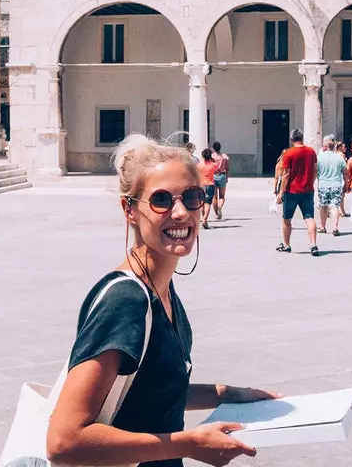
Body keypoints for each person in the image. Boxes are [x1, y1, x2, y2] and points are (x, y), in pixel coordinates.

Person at [45, 133, 276, 467]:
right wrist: (188, 443)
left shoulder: (162, 289)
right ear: (129, 209)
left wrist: (230, 394)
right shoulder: (125, 301)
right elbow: (63, 440)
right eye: (161, 200)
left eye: (192, 197)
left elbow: (152, 393)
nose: (181, 212)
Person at [275, 129, 319, 256]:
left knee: (286, 219)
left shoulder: (289, 154)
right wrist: (311, 183)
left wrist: (280, 193)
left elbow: (286, 174)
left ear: (291, 139)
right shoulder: (311, 152)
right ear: (302, 138)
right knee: (309, 217)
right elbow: (315, 170)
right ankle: (313, 244)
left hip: (292, 191)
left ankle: (287, 245)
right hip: (307, 190)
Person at [315, 135, 346, 236]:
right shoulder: (339, 158)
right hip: (336, 185)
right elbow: (345, 173)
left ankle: (323, 227)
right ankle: (335, 227)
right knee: (334, 207)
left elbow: (315, 171)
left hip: (323, 185)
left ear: (325, 147)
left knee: (323, 206)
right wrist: (346, 184)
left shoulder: (319, 158)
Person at [196, 148, 217, 229]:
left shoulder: (199, 165)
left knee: (202, 203)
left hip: (201, 185)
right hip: (210, 185)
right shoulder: (213, 165)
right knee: (208, 203)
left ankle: (203, 218)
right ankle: (205, 220)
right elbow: (216, 170)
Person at [210, 141, 229, 220]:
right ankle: (220, 207)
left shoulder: (211, 156)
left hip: (213, 176)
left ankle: (216, 213)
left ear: (213, 148)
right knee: (222, 196)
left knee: (214, 197)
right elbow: (227, 168)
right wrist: (227, 177)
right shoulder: (224, 156)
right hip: (222, 176)